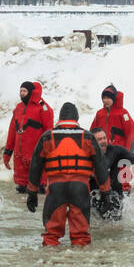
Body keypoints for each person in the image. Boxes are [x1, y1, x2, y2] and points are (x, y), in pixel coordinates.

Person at [26, 102, 107, 247]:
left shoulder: (47, 136)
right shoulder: (87, 136)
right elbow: (100, 165)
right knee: (80, 234)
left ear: (60, 117)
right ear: (76, 118)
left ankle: (50, 262)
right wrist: (106, 192)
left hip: (56, 189)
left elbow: (35, 166)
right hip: (80, 188)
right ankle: (80, 262)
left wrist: (32, 193)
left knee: (51, 234)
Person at [3, 81, 53, 193]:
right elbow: (12, 131)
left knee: (38, 186)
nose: (21, 93)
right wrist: (7, 152)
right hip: (19, 155)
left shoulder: (43, 108)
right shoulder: (19, 108)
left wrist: (48, 151)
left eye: (24, 91)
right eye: (20, 91)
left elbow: (49, 131)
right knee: (22, 187)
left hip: (36, 153)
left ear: (31, 92)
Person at [90, 84, 134, 151]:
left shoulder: (123, 113)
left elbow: (130, 133)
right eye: (104, 98)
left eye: (108, 98)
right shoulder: (99, 113)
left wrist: (128, 152)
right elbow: (92, 131)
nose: (105, 100)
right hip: (102, 150)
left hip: (118, 151)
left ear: (113, 99)